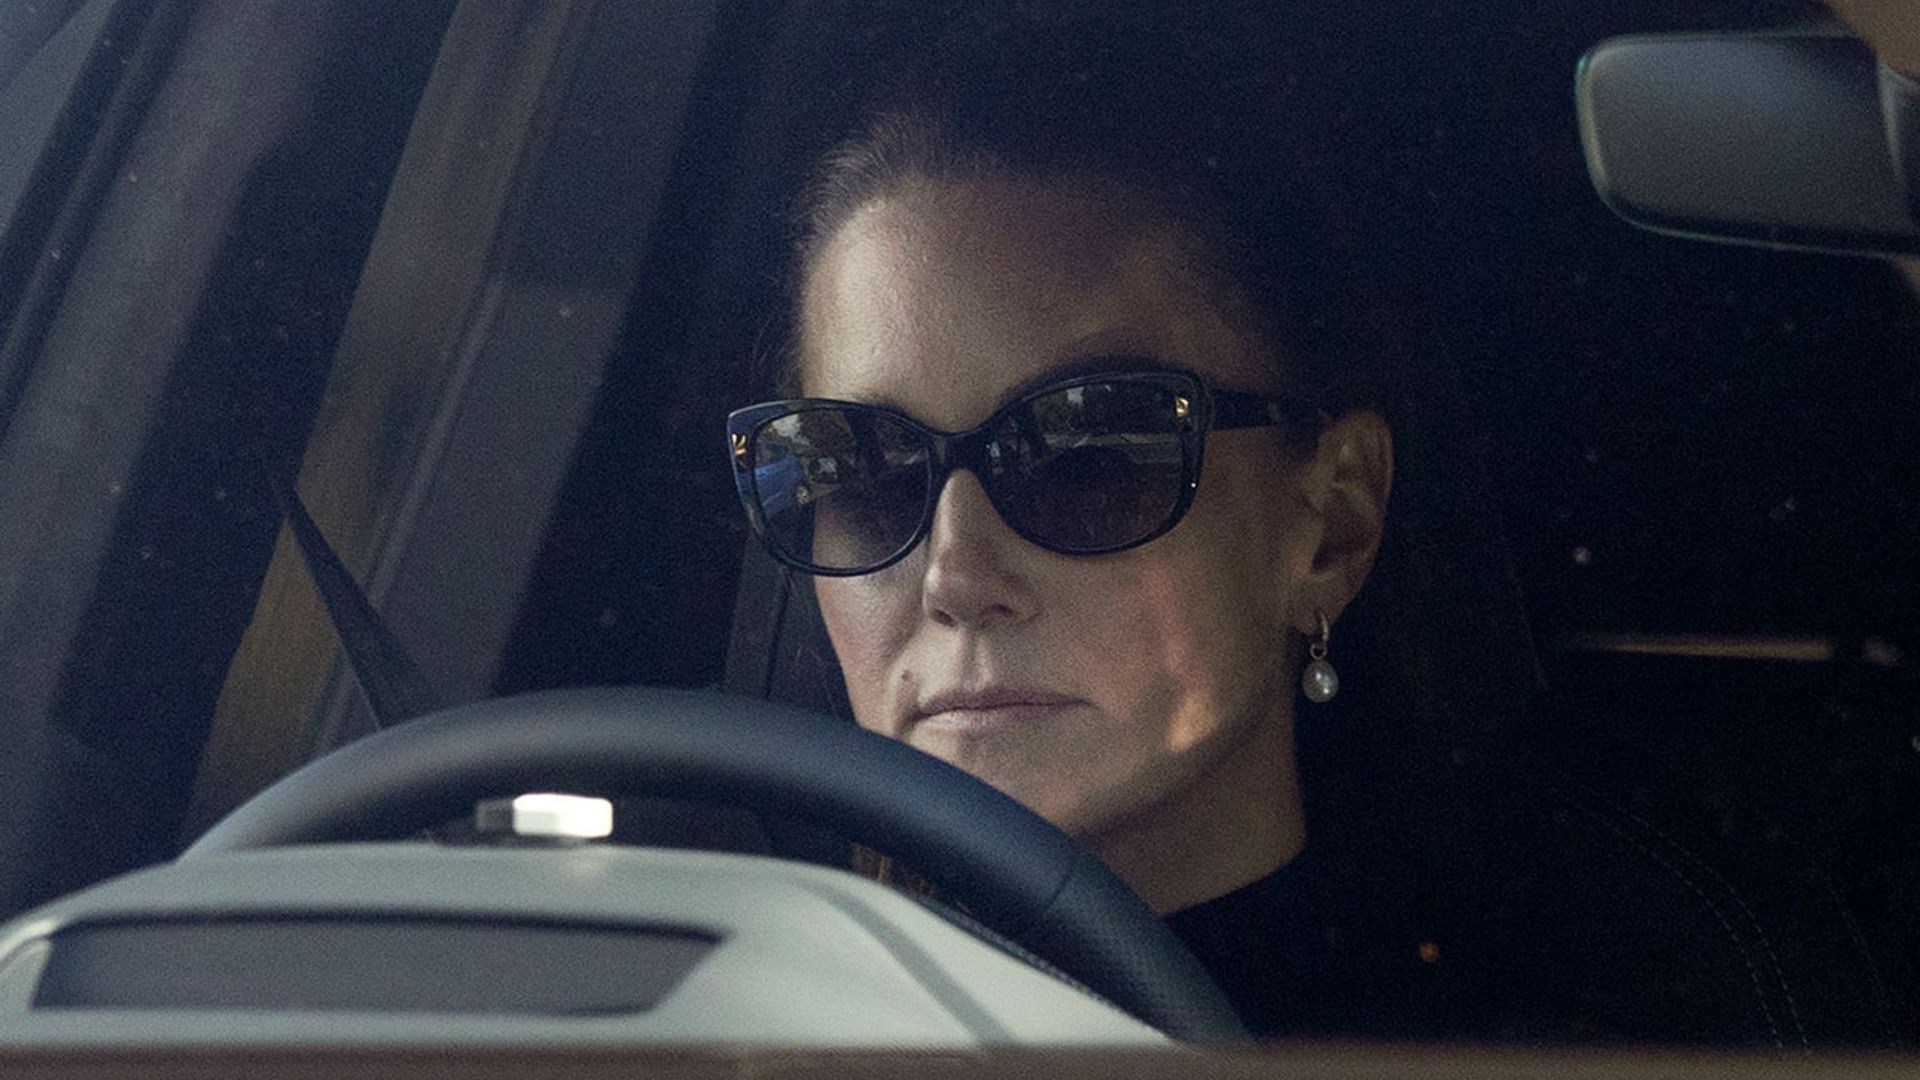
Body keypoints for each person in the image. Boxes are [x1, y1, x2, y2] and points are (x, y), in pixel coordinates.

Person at [724, 2, 1900, 1045]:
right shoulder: (684, 991)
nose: (956, 569)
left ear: (1332, 524)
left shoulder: (1608, 1022)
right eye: (864, 473)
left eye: (1091, 452)